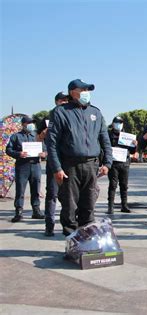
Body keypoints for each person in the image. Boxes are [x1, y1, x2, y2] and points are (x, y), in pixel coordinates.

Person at [47, 79, 112, 236]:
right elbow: (52, 143)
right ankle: (71, 242)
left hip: (91, 166)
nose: (86, 93)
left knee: (89, 206)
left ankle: (86, 243)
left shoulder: (95, 112)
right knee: (69, 207)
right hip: (70, 166)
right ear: (72, 92)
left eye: (88, 90)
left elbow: (105, 139)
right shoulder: (61, 112)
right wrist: (57, 168)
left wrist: (107, 163)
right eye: (82, 90)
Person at [36, 92, 69, 236]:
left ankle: (68, 224)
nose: (64, 102)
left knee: (69, 196)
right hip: (54, 161)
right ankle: (49, 225)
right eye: (62, 100)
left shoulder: (71, 115)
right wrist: (43, 134)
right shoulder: (47, 118)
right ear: (56, 102)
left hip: (69, 160)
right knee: (52, 194)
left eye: (67, 100)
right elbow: (37, 139)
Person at [6, 116, 46, 223]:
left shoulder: (37, 136)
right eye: (29, 123)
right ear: (23, 124)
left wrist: (43, 154)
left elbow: (46, 150)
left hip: (35, 166)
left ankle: (36, 211)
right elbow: (8, 150)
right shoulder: (16, 136)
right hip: (22, 166)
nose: (31, 124)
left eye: (32, 123)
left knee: (36, 189)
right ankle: (18, 212)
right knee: (20, 190)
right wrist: (18, 154)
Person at [107, 116, 137, 215]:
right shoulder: (108, 135)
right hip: (113, 164)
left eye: (120, 122)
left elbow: (132, 151)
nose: (118, 124)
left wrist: (135, 144)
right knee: (113, 185)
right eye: (116, 122)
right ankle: (110, 206)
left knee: (124, 186)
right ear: (113, 123)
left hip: (125, 164)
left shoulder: (127, 136)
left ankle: (124, 205)